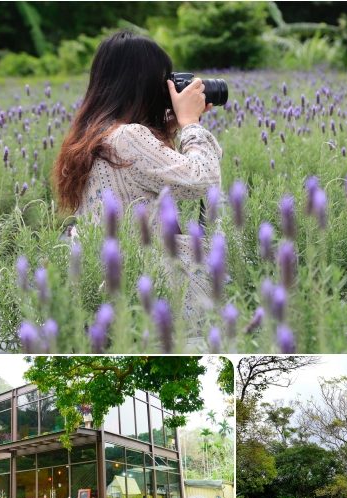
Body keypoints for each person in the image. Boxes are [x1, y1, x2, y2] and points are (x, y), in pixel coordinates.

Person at [52, 30, 222, 320]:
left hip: (116, 289)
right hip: (156, 293)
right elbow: (202, 180)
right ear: (144, 84)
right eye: (164, 79)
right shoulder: (130, 137)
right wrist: (192, 124)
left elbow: (139, 179)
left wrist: (169, 129)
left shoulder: (91, 137)